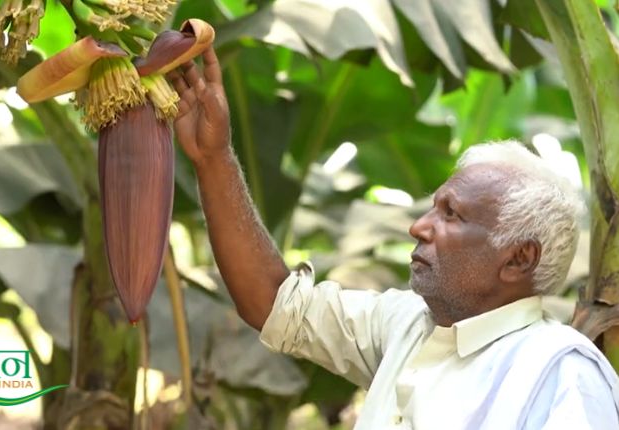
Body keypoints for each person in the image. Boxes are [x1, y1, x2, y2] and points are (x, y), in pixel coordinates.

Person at [167, 48, 619, 429]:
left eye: (452, 215)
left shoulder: (559, 374)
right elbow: (272, 303)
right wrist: (213, 156)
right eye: (432, 207)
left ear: (519, 259)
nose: (419, 227)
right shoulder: (406, 324)